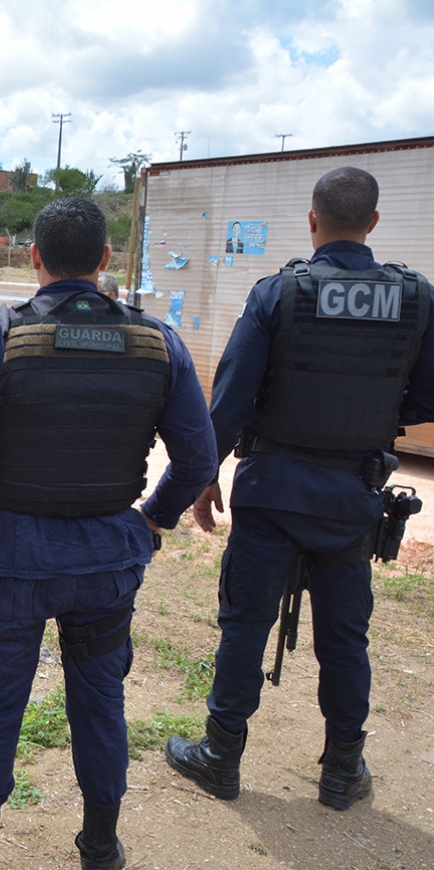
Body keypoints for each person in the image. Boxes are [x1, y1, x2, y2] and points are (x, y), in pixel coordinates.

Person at [0, 198, 216, 870]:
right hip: (107, 561)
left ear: (34, 259)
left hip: (12, 560)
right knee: (101, 702)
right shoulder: (157, 342)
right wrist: (152, 519)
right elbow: (198, 458)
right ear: (107, 260)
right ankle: (101, 847)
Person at [164, 167, 434, 812]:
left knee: (245, 625)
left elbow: (227, 406)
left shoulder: (279, 294)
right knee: (345, 638)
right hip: (352, 499)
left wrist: (203, 478)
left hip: (271, 494)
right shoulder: (417, 297)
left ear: (312, 221)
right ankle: (343, 770)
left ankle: (221, 756)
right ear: (372, 222)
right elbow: (424, 398)